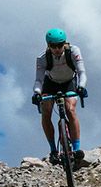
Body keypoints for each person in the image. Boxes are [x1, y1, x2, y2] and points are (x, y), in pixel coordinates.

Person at [31, 28, 86, 166]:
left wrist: (81, 86)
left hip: (69, 83)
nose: (57, 49)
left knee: (70, 109)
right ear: (48, 45)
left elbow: (81, 72)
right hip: (51, 83)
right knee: (46, 112)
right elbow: (38, 80)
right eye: (53, 46)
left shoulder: (73, 52)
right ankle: (53, 150)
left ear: (65, 43)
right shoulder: (42, 58)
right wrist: (37, 93)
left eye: (60, 45)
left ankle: (77, 148)